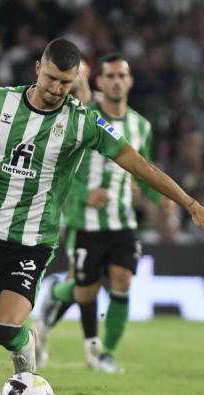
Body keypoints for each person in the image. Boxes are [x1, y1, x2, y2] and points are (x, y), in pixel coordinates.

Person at [0, 38, 204, 395]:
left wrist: (191, 204)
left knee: (3, 326)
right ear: (37, 68)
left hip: (31, 240)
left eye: (66, 82)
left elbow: (138, 163)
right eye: (51, 79)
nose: (56, 89)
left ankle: (25, 364)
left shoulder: (83, 121)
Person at [35, 52, 161, 374]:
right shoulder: (83, 118)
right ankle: (58, 294)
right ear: (101, 82)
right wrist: (83, 194)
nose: (117, 81)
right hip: (84, 221)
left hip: (123, 221)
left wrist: (162, 201)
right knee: (84, 290)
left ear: (130, 81)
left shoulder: (141, 126)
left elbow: (144, 170)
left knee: (122, 281)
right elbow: (61, 167)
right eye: (110, 76)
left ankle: (105, 354)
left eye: (122, 76)